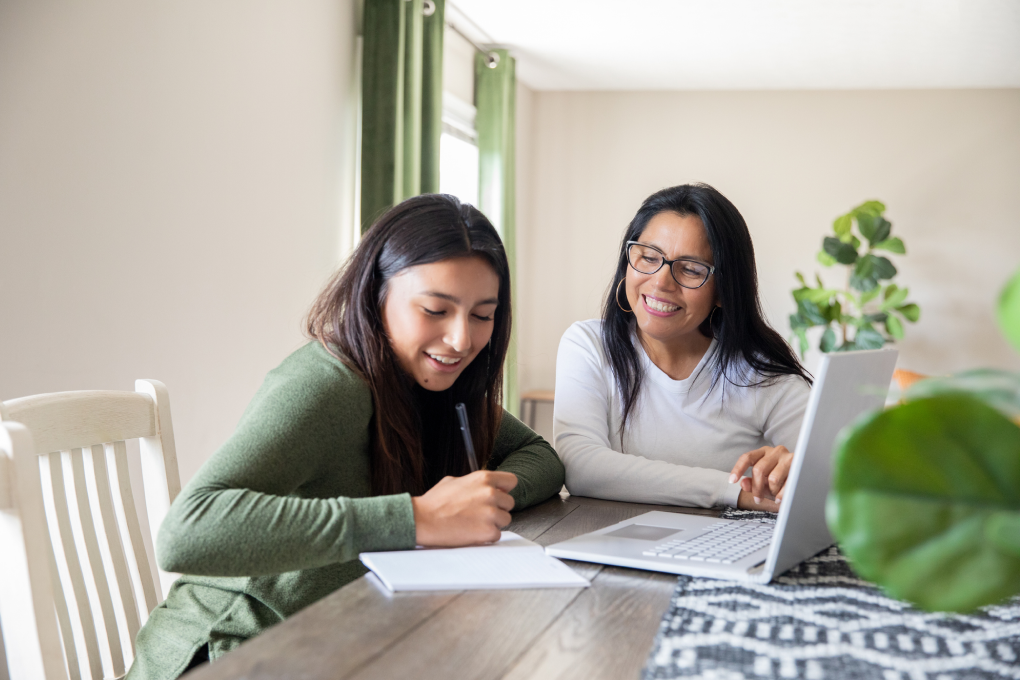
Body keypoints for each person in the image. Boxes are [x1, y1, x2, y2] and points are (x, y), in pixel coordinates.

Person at [128, 194, 565, 679]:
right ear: (377, 295)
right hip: (232, 648)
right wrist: (416, 517)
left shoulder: (434, 384)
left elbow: (540, 457)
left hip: (344, 639)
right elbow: (185, 532)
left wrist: (480, 500)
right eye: (436, 310)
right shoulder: (326, 385)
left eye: (483, 315)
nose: (462, 339)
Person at [553, 183, 811, 511]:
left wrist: (799, 467)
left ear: (723, 290)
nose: (661, 282)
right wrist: (734, 492)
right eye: (648, 257)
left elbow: (840, 474)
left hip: (722, 551)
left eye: (690, 269)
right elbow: (582, 468)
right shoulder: (588, 346)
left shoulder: (760, 375)